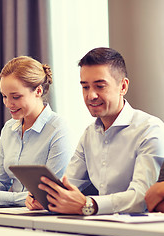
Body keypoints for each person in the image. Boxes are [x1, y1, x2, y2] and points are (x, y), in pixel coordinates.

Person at [26, 47, 164, 215]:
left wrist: (89, 204)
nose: (91, 95)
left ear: (123, 86)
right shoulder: (89, 135)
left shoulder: (150, 129)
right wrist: (49, 198)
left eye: (100, 86)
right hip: (100, 225)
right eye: (85, 87)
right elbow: (69, 183)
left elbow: (142, 197)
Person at [0, 56, 73, 206]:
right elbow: (2, 183)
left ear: (38, 91)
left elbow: (49, 193)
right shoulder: (8, 129)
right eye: (4, 96)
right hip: (13, 215)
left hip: (45, 220)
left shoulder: (59, 129)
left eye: (16, 97)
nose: (8, 104)